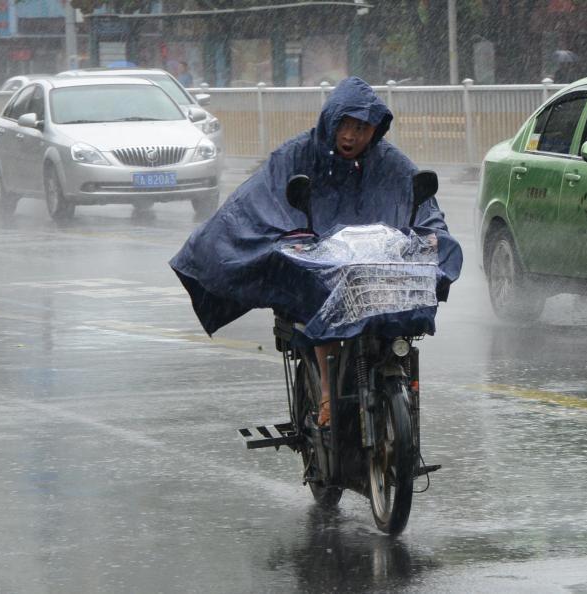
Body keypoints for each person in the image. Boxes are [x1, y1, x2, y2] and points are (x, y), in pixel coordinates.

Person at [170, 77, 461, 427]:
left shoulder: (390, 163)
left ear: (376, 129)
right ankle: (327, 393)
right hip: (320, 264)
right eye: (345, 126)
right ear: (331, 122)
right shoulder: (297, 155)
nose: (352, 136)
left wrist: (432, 239)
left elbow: (424, 211)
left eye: (362, 128)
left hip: (374, 270)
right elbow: (254, 204)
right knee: (319, 303)